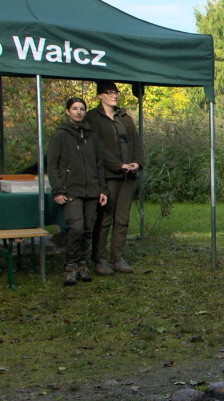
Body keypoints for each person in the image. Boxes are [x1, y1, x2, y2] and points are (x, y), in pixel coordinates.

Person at [47, 97, 109, 286]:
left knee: (88, 230)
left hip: (91, 189)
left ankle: (83, 265)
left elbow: (99, 164)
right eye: (75, 108)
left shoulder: (92, 136)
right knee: (77, 228)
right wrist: (57, 190)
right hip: (70, 189)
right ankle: (71, 267)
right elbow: (52, 165)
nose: (79, 112)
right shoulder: (60, 135)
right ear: (67, 111)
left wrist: (103, 189)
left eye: (82, 109)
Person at [88, 81, 145, 276]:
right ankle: (99, 259)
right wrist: (117, 165)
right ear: (100, 96)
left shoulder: (125, 117)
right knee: (105, 218)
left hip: (128, 176)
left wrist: (137, 162)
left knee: (122, 219)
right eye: (110, 92)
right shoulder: (93, 119)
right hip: (108, 176)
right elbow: (96, 148)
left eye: (116, 92)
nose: (114, 95)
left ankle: (118, 258)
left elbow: (135, 142)